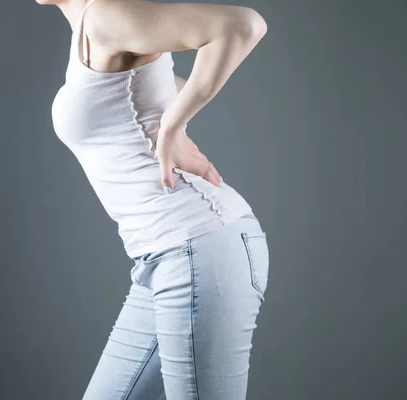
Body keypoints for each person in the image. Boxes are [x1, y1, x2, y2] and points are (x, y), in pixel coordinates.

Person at [36, 0, 269, 398]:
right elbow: (157, 91)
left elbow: (244, 25)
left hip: (196, 246)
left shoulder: (106, 14)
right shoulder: (92, 30)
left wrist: (174, 128)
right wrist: (173, 114)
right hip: (165, 255)